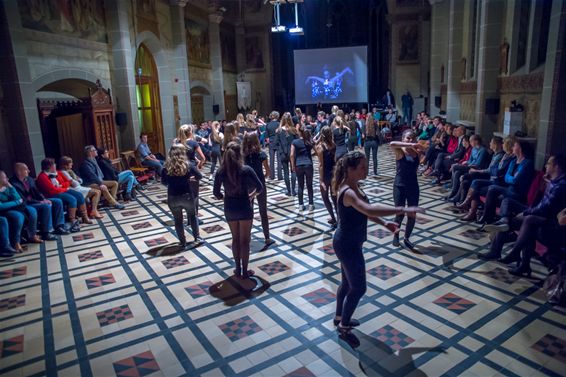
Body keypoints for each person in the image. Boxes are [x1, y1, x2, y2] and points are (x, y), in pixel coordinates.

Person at [331, 151, 424, 344]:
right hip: (347, 245)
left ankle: (340, 317)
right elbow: (368, 209)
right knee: (359, 287)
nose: (366, 170)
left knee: (347, 283)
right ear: (350, 169)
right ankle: (344, 324)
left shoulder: (355, 186)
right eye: (362, 167)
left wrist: (385, 224)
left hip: (349, 242)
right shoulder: (347, 191)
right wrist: (402, 209)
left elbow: (366, 211)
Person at [478, 155, 566, 276]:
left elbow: (545, 208)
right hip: (538, 213)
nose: (546, 166)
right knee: (508, 203)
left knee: (528, 222)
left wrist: (525, 212)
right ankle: (503, 224)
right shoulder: (553, 180)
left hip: (548, 220)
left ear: (556, 166)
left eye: (549, 164)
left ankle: (513, 254)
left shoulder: (561, 185)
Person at [213, 142, 263, 280]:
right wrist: (251, 196)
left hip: (230, 207)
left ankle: (238, 268)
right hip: (244, 206)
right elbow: (260, 187)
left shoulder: (220, 171)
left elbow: (216, 193)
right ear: (239, 153)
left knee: (235, 239)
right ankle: (245, 271)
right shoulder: (246, 169)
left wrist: (224, 197)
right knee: (245, 240)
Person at [476, 140, 535, 225]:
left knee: (492, 189)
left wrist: (512, 178)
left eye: (514, 146)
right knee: (492, 193)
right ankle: (489, 219)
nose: (512, 148)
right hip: (509, 189)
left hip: (518, 193)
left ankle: (487, 217)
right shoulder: (513, 161)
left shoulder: (528, 163)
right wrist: (512, 178)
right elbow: (506, 177)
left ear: (520, 149)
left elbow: (516, 180)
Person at [10, 163, 68, 240]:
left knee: (57, 201)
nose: (29, 171)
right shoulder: (13, 183)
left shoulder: (29, 179)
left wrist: (43, 199)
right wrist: (39, 202)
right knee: (46, 206)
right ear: (19, 171)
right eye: (26, 169)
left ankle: (59, 226)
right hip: (25, 204)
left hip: (35, 201)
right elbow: (23, 199)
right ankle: (47, 232)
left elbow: (37, 192)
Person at [162, 144, 203, 248]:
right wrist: (190, 179)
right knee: (193, 216)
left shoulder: (166, 167)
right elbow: (199, 176)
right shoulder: (188, 164)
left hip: (172, 197)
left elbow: (164, 182)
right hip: (187, 195)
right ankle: (197, 237)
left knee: (178, 220)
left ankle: (182, 242)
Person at [390, 131, 424, 250]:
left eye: (412, 138)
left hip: (413, 186)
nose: (410, 140)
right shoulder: (399, 151)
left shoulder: (416, 152)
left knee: (412, 214)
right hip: (399, 186)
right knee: (400, 214)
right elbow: (392, 143)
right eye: (408, 138)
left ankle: (407, 238)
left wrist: (421, 148)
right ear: (403, 138)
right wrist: (410, 145)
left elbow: (427, 150)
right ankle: (396, 236)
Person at [36, 158, 88, 232]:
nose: (55, 165)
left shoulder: (57, 173)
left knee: (79, 195)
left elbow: (67, 182)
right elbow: (52, 190)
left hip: (61, 190)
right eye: (53, 164)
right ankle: (72, 220)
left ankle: (85, 217)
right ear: (49, 166)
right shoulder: (42, 177)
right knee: (71, 199)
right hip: (51, 195)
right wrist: (63, 188)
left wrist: (62, 186)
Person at [243, 132, 274, 246]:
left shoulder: (243, 155)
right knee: (263, 211)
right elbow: (268, 171)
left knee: (249, 212)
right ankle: (267, 238)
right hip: (260, 185)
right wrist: (262, 178)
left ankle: (247, 237)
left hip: (247, 186)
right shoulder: (261, 154)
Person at [445, 134, 490, 202]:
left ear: (476, 141)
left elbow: (478, 164)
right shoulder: (473, 149)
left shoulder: (483, 150)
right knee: (457, 173)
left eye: (471, 141)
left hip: (477, 169)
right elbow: (470, 160)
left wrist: (468, 165)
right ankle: (455, 193)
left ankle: (453, 191)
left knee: (455, 167)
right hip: (470, 166)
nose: (470, 143)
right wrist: (467, 163)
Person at [0, 170, 37, 252]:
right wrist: (16, 202)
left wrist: (11, 187)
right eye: (5, 178)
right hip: (3, 211)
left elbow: (18, 198)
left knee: (30, 211)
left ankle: (27, 237)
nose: (7, 179)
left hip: (13, 208)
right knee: (18, 216)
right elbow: (1, 206)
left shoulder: (7, 187)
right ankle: (15, 242)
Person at [316, 126, 337, 228]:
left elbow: (321, 165)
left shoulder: (320, 147)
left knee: (325, 198)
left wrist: (321, 180)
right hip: (333, 173)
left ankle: (333, 218)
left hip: (325, 175)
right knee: (334, 197)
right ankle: (340, 219)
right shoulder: (333, 144)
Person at [291, 126, 315, 211]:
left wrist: (293, 165)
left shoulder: (295, 142)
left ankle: (301, 205)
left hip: (298, 164)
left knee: (300, 185)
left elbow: (292, 154)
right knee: (309, 185)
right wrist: (310, 155)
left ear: (299, 132)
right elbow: (316, 151)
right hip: (308, 164)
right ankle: (311, 204)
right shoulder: (309, 141)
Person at [276, 112, 298, 196]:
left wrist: (280, 149)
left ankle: (288, 191)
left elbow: (276, 142)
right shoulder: (293, 130)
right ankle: (293, 190)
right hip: (292, 153)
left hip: (283, 153)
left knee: (285, 172)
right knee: (293, 170)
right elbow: (297, 141)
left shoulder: (279, 130)